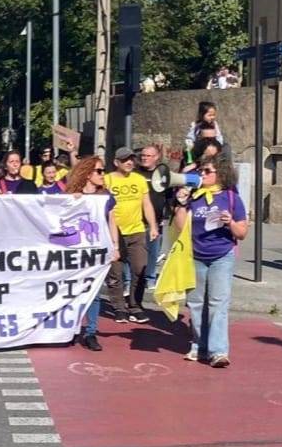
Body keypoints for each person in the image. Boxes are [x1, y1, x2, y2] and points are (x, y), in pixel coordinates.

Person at [173, 154, 248, 367]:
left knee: (218, 304)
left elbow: (242, 232)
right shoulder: (195, 197)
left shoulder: (231, 198)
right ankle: (199, 346)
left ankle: (218, 351)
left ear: (221, 174)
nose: (202, 175)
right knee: (196, 304)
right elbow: (181, 228)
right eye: (201, 171)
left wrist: (230, 223)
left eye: (208, 171)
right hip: (195, 255)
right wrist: (180, 203)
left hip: (222, 256)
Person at [65, 157, 119, 351]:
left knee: (94, 292)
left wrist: (115, 246)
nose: (103, 175)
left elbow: (112, 221)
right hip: (76, 251)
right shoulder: (72, 195)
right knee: (73, 291)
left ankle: (91, 332)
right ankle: (70, 328)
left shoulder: (105, 197)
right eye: (99, 171)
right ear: (88, 174)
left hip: (97, 251)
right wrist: (73, 201)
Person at [104, 147, 159, 323]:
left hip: (137, 230)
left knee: (140, 269)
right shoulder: (107, 180)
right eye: (125, 159)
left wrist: (153, 226)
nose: (129, 162)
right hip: (114, 232)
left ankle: (135, 305)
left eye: (131, 159)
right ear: (116, 162)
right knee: (116, 273)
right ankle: (119, 307)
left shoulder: (139, 179)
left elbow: (147, 204)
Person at [137, 145, 168, 287]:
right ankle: (131, 280)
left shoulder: (163, 174)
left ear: (156, 157)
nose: (144, 158)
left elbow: (169, 196)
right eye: (143, 155)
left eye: (148, 156)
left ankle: (149, 279)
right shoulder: (135, 173)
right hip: (136, 220)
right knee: (134, 254)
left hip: (155, 221)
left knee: (152, 252)